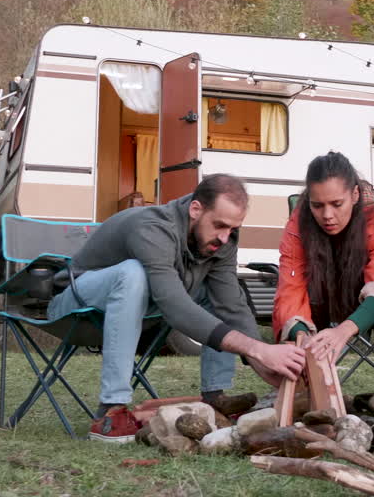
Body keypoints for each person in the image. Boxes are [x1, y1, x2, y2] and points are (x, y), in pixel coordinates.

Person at [49, 174, 306, 442]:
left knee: (215, 292)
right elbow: (174, 306)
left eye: (232, 228)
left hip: (139, 309)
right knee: (132, 273)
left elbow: (231, 305)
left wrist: (262, 362)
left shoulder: (221, 239)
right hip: (77, 304)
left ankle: (215, 398)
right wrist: (257, 349)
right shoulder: (152, 227)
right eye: (219, 225)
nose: (224, 237)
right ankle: (110, 411)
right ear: (196, 209)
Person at [272, 151, 374, 396]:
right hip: (321, 297)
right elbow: (290, 285)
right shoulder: (298, 221)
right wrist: (300, 334)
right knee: (303, 292)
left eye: (336, 204)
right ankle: (308, 380)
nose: (327, 215)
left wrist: (344, 331)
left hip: (363, 297)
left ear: (354, 195)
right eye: (317, 205)